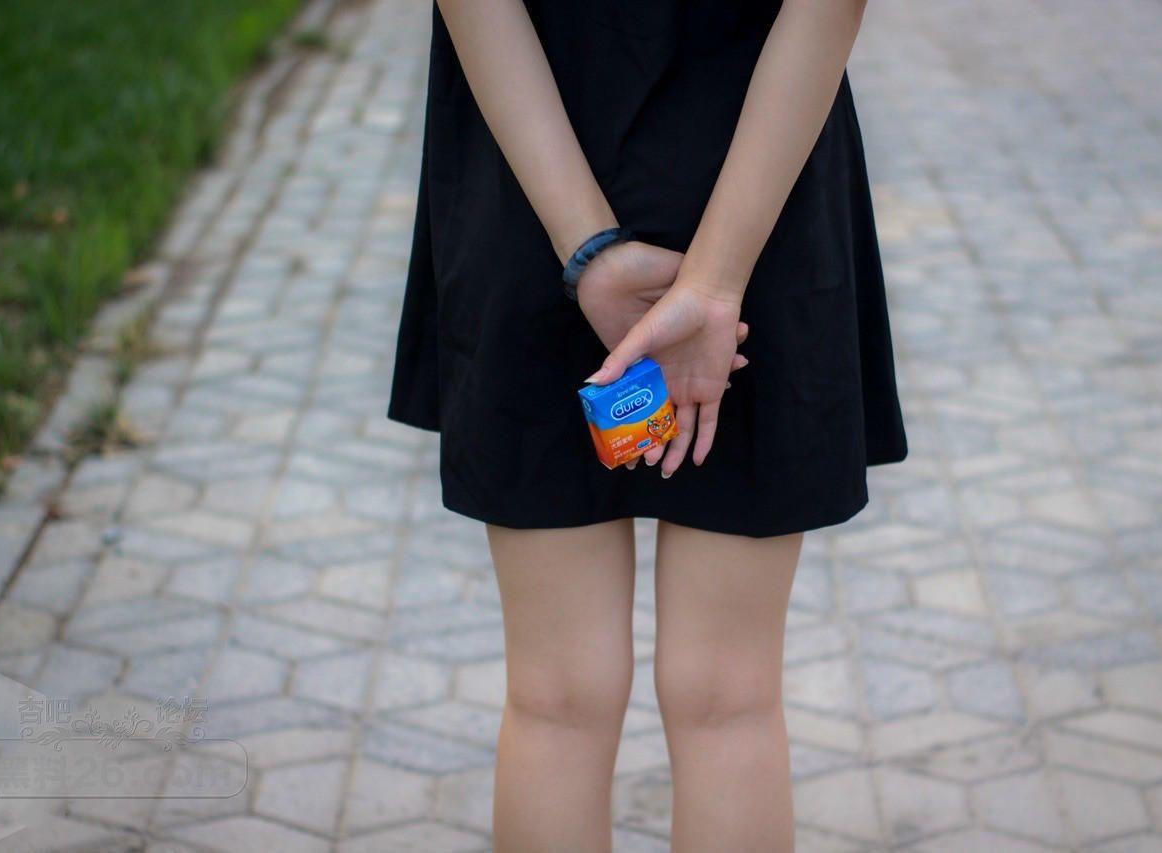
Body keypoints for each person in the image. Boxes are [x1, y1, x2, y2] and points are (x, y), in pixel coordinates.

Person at [387, 0, 907, 849]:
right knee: (727, 699)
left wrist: (584, 249)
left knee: (556, 699)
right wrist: (718, 279)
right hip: (758, 191)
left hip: (530, 188)